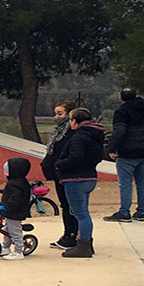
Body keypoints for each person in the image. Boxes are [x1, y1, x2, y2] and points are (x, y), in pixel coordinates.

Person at [55, 108, 106, 258]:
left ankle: (83, 246)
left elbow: (76, 157)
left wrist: (59, 164)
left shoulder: (78, 137)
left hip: (75, 178)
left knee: (80, 214)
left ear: (75, 121)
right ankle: (87, 243)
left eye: (71, 120)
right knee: (83, 212)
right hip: (90, 177)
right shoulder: (96, 136)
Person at [104, 88, 144, 222]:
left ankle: (124, 211)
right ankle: (141, 211)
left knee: (125, 183)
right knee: (142, 183)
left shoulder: (122, 112)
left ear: (122, 98)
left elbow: (120, 130)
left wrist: (112, 147)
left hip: (127, 152)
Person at [40, 100, 78, 250]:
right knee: (65, 204)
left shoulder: (71, 133)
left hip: (66, 173)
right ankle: (67, 233)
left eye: (60, 113)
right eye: (56, 113)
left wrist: (58, 165)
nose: (56, 117)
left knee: (71, 205)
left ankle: (72, 235)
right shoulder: (58, 131)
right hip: (58, 173)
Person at [0, 158, 32, 261]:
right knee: (7, 230)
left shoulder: (16, 184)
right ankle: (5, 248)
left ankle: (18, 252)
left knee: (15, 232)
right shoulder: (19, 182)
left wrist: (6, 207)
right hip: (11, 212)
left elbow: (15, 199)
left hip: (15, 212)